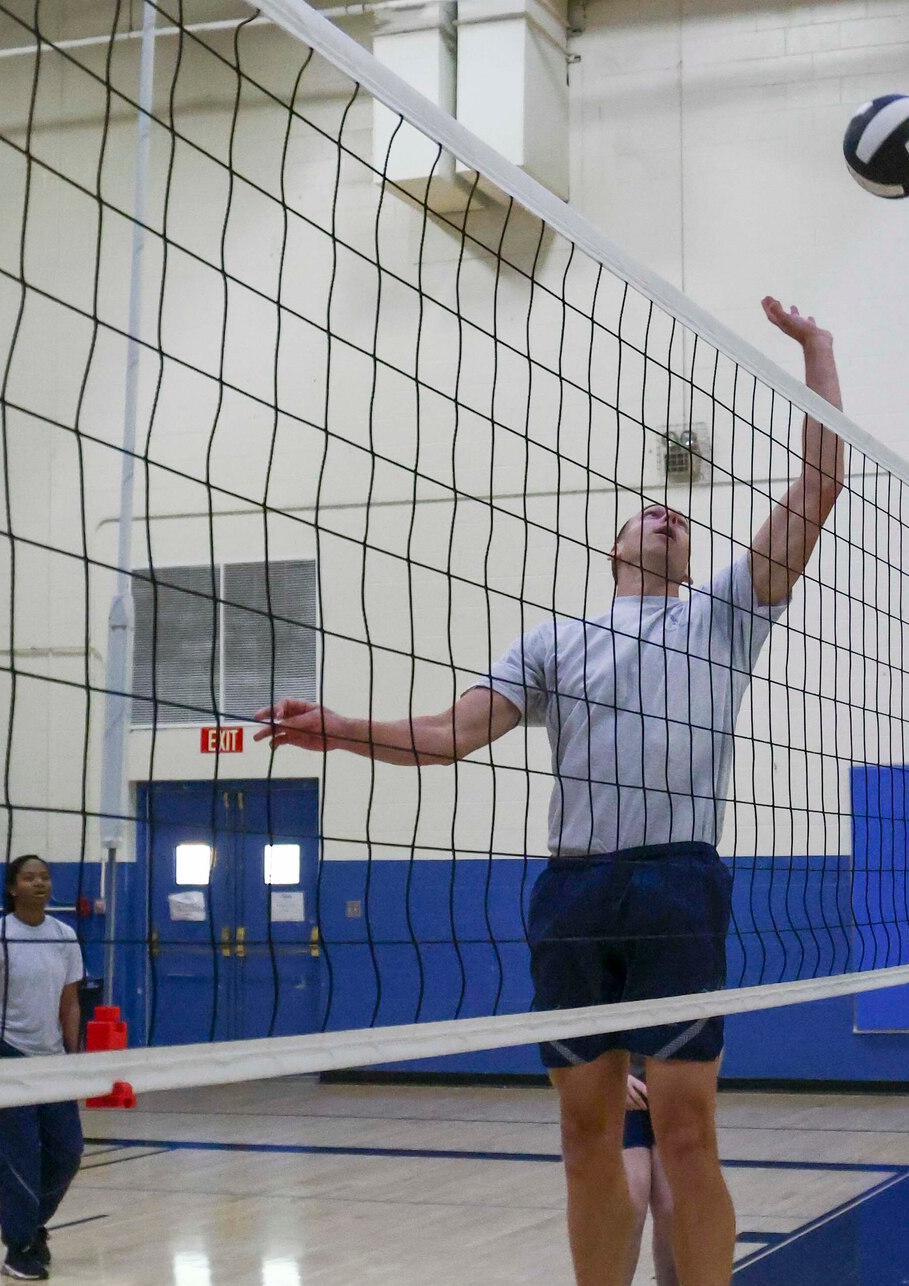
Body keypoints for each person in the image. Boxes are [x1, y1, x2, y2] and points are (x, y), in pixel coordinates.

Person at [256, 296, 846, 1286]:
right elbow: (449, 733)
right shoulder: (552, 643)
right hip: (572, 894)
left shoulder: (726, 611)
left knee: (688, 1131)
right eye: (649, 513)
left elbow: (819, 484)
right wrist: (340, 726)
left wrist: (817, 354)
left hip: (675, 883)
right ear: (617, 547)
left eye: (679, 520)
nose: (668, 516)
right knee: (585, 1135)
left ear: (688, 557)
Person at [0, 855, 85, 1282]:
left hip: (52, 1061)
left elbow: (70, 1003)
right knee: (17, 1161)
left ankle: (30, 1225)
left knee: (68, 1153)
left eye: (45, 877)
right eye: (30, 877)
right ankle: (19, 1248)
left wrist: (76, 1057)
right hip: (3, 1055)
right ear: (13, 887)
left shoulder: (65, 936)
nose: (40, 883)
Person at [619, 1059, 680, 1285]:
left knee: (672, 1205)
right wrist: (610, 1076)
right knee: (630, 1201)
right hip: (617, 1090)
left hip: (672, 1085)